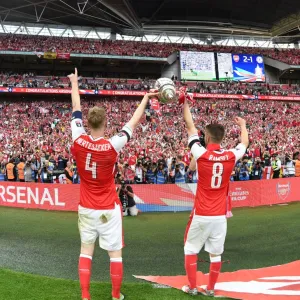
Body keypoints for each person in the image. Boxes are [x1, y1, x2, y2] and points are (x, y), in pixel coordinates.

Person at [68, 68, 158, 300]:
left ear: (87, 123)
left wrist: (74, 83)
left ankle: (85, 296)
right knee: (114, 254)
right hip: (108, 207)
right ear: (106, 123)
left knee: (86, 252)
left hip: (86, 207)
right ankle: (116, 295)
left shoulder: (78, 137)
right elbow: (132, 123)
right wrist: (146, 98)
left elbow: (75, 108)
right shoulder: (112, 145)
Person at [181, 101, 248, 297]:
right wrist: (243, 125)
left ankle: (192, 287)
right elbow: (244, 143)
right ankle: (210, 289)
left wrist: (184, 104)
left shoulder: (200, 153)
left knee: (190, 250)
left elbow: (190, 126)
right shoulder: (230, 155)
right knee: (215, 254)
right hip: (220, 215)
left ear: (207, 137)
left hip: (202, 212)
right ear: (223, 138)